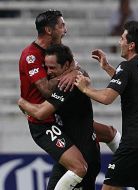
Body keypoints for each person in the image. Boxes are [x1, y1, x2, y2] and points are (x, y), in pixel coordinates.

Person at [18, 10, 120, 189]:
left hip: (63, 116)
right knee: (79, 167)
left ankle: (133, 166)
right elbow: (47, 90)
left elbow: (85, 76)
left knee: (109, 132)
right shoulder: (31, 55)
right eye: (61, 25)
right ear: (49, 30)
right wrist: (71, 73)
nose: (65, 29)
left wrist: (74, 72)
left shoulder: (60, 51)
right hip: (44, 124)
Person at [75, 21, 138, 190]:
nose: (119, 42)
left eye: (122, 39)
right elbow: (132, 85)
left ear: (131, 45)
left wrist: (85, 89)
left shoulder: (127, 67)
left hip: (134, 144)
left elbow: (107, 97)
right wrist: (107, 68)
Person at [19, 44, 101, 189]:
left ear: (67, 65)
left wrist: (23, 103)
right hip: (79, 152)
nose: (48, 73)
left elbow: (41, 113)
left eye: (52, 68)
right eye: (46, 67)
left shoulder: (66, 85)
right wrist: (76, 71)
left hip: (80, 158)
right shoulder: (75, 77)